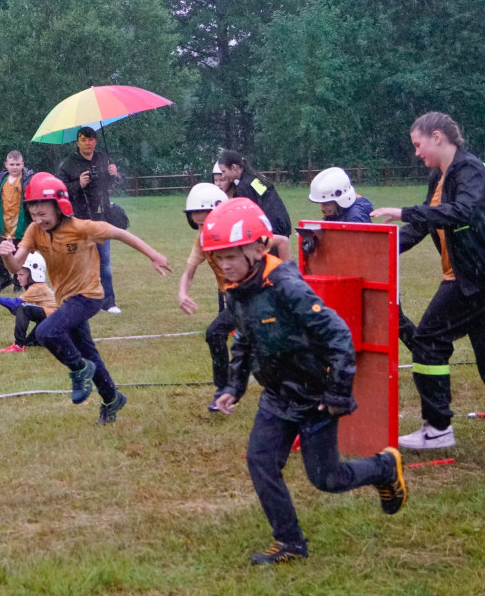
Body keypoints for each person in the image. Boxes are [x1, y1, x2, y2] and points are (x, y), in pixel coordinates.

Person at [207, 198, 408, 566]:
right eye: (218, 257)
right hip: (276, 396)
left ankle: (383, 467)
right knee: (260, 461)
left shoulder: (286, 287)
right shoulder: (236, 289)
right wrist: (232, 388)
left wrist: (336, 392)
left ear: (258, 247)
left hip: (315, 397)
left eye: (231, 255)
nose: (224, 264)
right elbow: (245, 340)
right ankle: (289, 543)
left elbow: (338, 335)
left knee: (327, 479)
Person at [0, 172, 173, 425]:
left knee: (46, 332)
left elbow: (120, 234)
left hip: (89, 296)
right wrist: (6, 254)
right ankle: (111, 398)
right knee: (89, 352)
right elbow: (16, 267)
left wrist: (153, 255)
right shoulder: (35, 231)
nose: (39, 219)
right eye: (34, 214)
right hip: (66, 300)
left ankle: (79, 369)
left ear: (60, 206)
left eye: (44, 213)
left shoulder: (82, 228)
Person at [371, 111, 485, 450]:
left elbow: (461, 211)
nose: (417, 153)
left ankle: (437, 429)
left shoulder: (470, 170)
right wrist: (380, 251)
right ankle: (437, 427)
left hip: (472, 279)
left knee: (428, 341)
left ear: (437, 136)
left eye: (418, 144)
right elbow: (422, 226)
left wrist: (404, 212)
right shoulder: (439, 176)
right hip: (469, 278)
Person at [177, 183, 291, 412]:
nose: (202, 229)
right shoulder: (203, 240)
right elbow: (188, 272)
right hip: (237, 300)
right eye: (197, 224)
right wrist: (182, 292)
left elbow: (282, 241)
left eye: (205, 223)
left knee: (261, 350)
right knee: (218, 334)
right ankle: (224, 389)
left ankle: (282, 393)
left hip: (262, 298)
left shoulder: (243, 237)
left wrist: (288, 274)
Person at [56, 126, 123, 314]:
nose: (88, 143)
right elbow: (59, 190)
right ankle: (79, 300)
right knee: (80, 261)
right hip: (78, 219)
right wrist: (78, 184)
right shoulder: (69, 164)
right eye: (84, 139)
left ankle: (108, 302)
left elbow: (112, 184)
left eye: (91, 139)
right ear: (77, 142)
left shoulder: (103, 158)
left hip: (102, 217)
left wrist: (114, 174)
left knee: (104, 261)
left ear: (96, 141)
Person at [0, 252, 57, 353]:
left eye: (21, 274)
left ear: (33, 273)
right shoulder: (33, 287)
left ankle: (19, 345)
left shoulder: (37, 288)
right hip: (51, 321)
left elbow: (16, 305)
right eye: (17, 275)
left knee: (24, 307)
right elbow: (16, 309)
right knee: (31, 343)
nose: (17, 278)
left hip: (55, 321)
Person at [0, 150, 34, 293]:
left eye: (18, 164)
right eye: (11, 164)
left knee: (19, 254)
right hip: (1, 224)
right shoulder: (1, 180)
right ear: (6, 164)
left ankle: (19, 281)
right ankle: (4, 277)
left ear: (23, 164)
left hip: (20, 226)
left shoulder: (27, 180)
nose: (14, 167)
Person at [216, 150, 291, 236]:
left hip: (271, 229)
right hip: (281, 224)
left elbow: (248, 217)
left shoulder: (244, 187)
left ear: (234, 167)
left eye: (224, 171)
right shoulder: (254, 178)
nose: (223, 176)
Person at [308, 167, 373, 222]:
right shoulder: (338, 212)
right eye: (321, 203)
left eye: (327, 203)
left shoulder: (354, 217)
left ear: (341, 200)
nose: (323, 208)